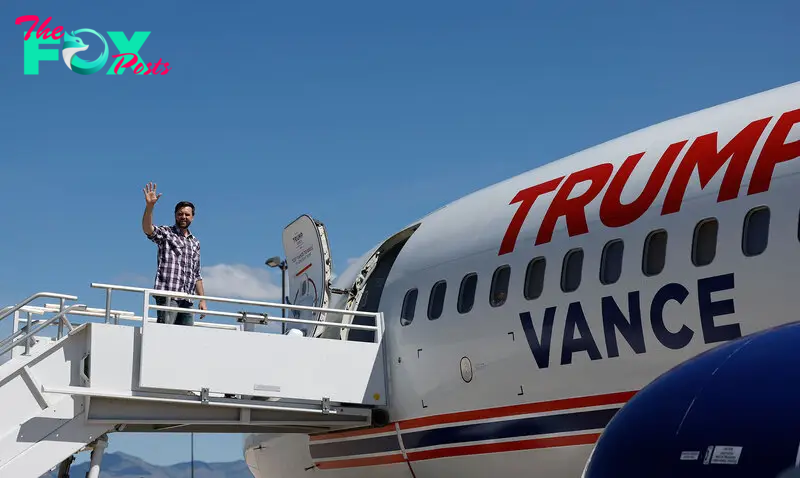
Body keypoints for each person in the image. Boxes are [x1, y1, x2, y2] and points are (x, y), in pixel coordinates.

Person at [141, 182, 207, 325]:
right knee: (164, 334)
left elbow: (197, 274)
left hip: (188, 299)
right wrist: (150, 207)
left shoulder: (195, 242)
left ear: (192, 217)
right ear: (175, 216)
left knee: (184, 339)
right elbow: (148, 229)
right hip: (168, 295)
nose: (183, 217)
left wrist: (202, 299)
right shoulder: (166, 233)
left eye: (187, 214)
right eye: (180, 214)